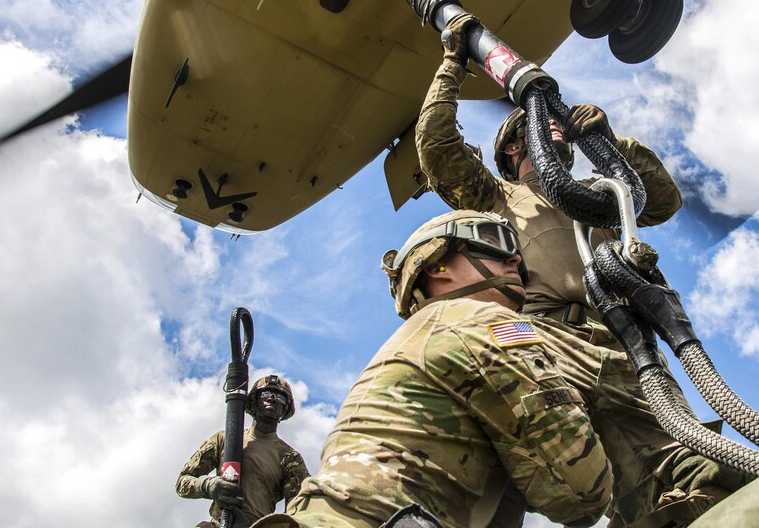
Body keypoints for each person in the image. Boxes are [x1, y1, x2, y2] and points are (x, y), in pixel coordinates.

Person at [414, 13, 747, 526]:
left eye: (558, 120)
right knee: (490, 468)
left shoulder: (599, 194)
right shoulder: (493, 196)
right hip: (541, 342)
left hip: (625, 347)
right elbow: (436, 146)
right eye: (538, 122)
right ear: (512, 146)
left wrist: (612, 144)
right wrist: (452, 64)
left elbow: (662, 201)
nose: (556, 123)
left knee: (682, 473)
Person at [255, 210, 613, 527]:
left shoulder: (422, 332)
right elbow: (580, 492)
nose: (515, 258)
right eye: (494, 242)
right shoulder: (477, 319)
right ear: (436, 266)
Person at [177, 375, 310, 528]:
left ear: (285, 408)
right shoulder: (224, 439)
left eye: (280, 397)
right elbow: (182, 483)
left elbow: (299, 511)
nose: (272, 399)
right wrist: (208, 485)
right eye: (265, 394)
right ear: (254, 401)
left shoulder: (289, 457)